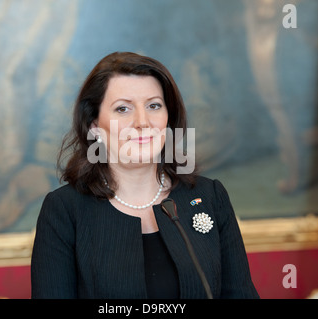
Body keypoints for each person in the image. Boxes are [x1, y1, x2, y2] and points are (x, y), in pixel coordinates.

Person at [31, 51, 259, 299]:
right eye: (123, 109)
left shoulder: (210, 197)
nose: (142, 122)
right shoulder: (64, 211)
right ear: (95, 127)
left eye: (153, 105)